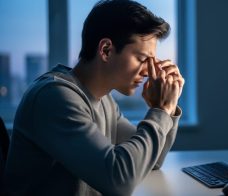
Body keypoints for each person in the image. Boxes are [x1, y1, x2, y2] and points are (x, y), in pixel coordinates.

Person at [2, 0, 184, 195]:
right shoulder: (54, 97)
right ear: (106, 50)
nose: (148, 72)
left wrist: (169, 108)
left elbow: (152, 161)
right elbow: (119, 180)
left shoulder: (104, 100)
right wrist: (160, 111)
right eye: (141, 59)